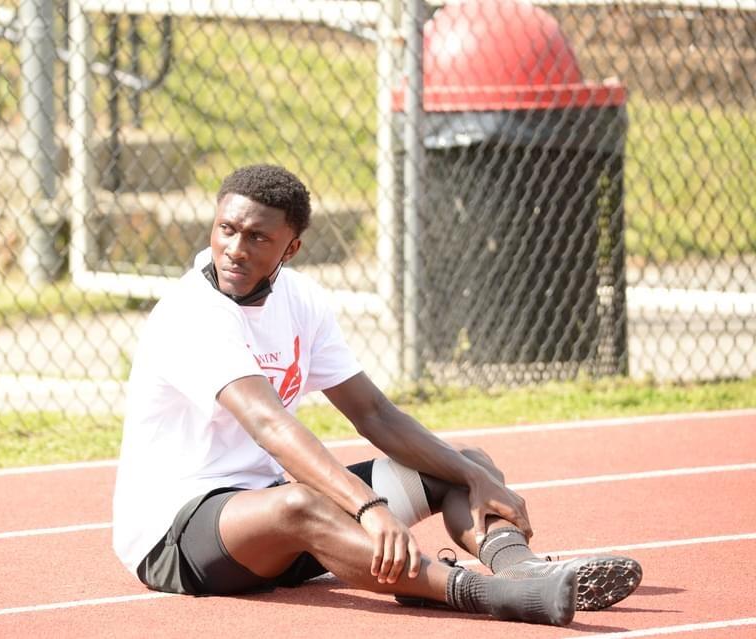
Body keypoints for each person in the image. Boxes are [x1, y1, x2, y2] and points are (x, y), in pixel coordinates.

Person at [112, 164, 641, 627]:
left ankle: (522, 570)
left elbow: (374, 413)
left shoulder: (301, 300)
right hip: (178, 537)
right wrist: (367, 507)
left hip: (276, 524)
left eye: (257, 238)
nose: (235, 249)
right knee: (299, 502)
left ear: (290, 248)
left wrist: (474, 476)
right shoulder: (191, 314)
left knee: (461, 463)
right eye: (226, 229)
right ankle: (486, 594)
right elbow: (271, 426)